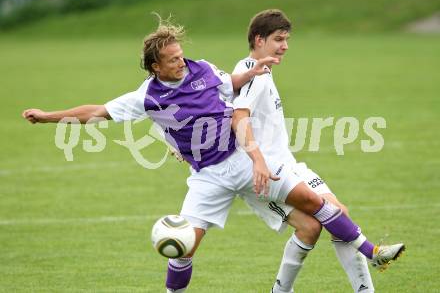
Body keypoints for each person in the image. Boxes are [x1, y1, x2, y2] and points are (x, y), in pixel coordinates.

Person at [22, 16, 404, 292]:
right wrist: (49, 117)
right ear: (156, 66)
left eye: (182, 54)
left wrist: (255, 70)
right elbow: (96, 112)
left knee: (313, 202)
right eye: (173, 59)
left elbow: (230, 83)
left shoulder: (201, 68)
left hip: (240, 158)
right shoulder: (147, 97)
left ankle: (370, 251)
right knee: (184, 244)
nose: (182, 61)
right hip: (206, 178)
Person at [231, 9, 403, 293]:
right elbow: (238, 116)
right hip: (266, 175)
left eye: (287, 39)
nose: (285, 46)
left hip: (287, 163)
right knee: (319, 221)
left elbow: (222, 108)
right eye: (278, 39)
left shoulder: (259, 70)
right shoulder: (251, 72)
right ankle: (372, 252)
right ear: (258, 40)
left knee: (332, 217)